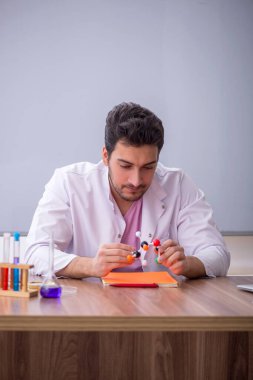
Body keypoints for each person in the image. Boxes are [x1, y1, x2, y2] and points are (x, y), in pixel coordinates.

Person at [25, 102, 230, 279]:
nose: (136, 180)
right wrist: (91, 266)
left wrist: (188, 264)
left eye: (149, 167)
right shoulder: (69, 183)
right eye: (125, 166)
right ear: (106, 156)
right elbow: (35, 253)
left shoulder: (178, 184)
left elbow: (217, 254)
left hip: (160, 311)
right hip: (88, 309)